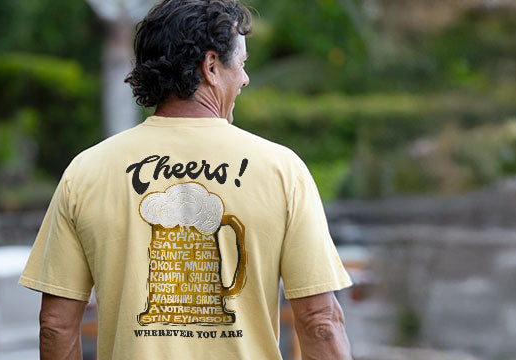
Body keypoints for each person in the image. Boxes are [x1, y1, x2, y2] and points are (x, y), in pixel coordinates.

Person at [19, 0, 352, 359]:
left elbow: (55, 324)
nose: (245, 78)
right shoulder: (282, 171)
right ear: (211, 66)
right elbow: (321, 322)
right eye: (241, 64)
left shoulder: (86, 172)